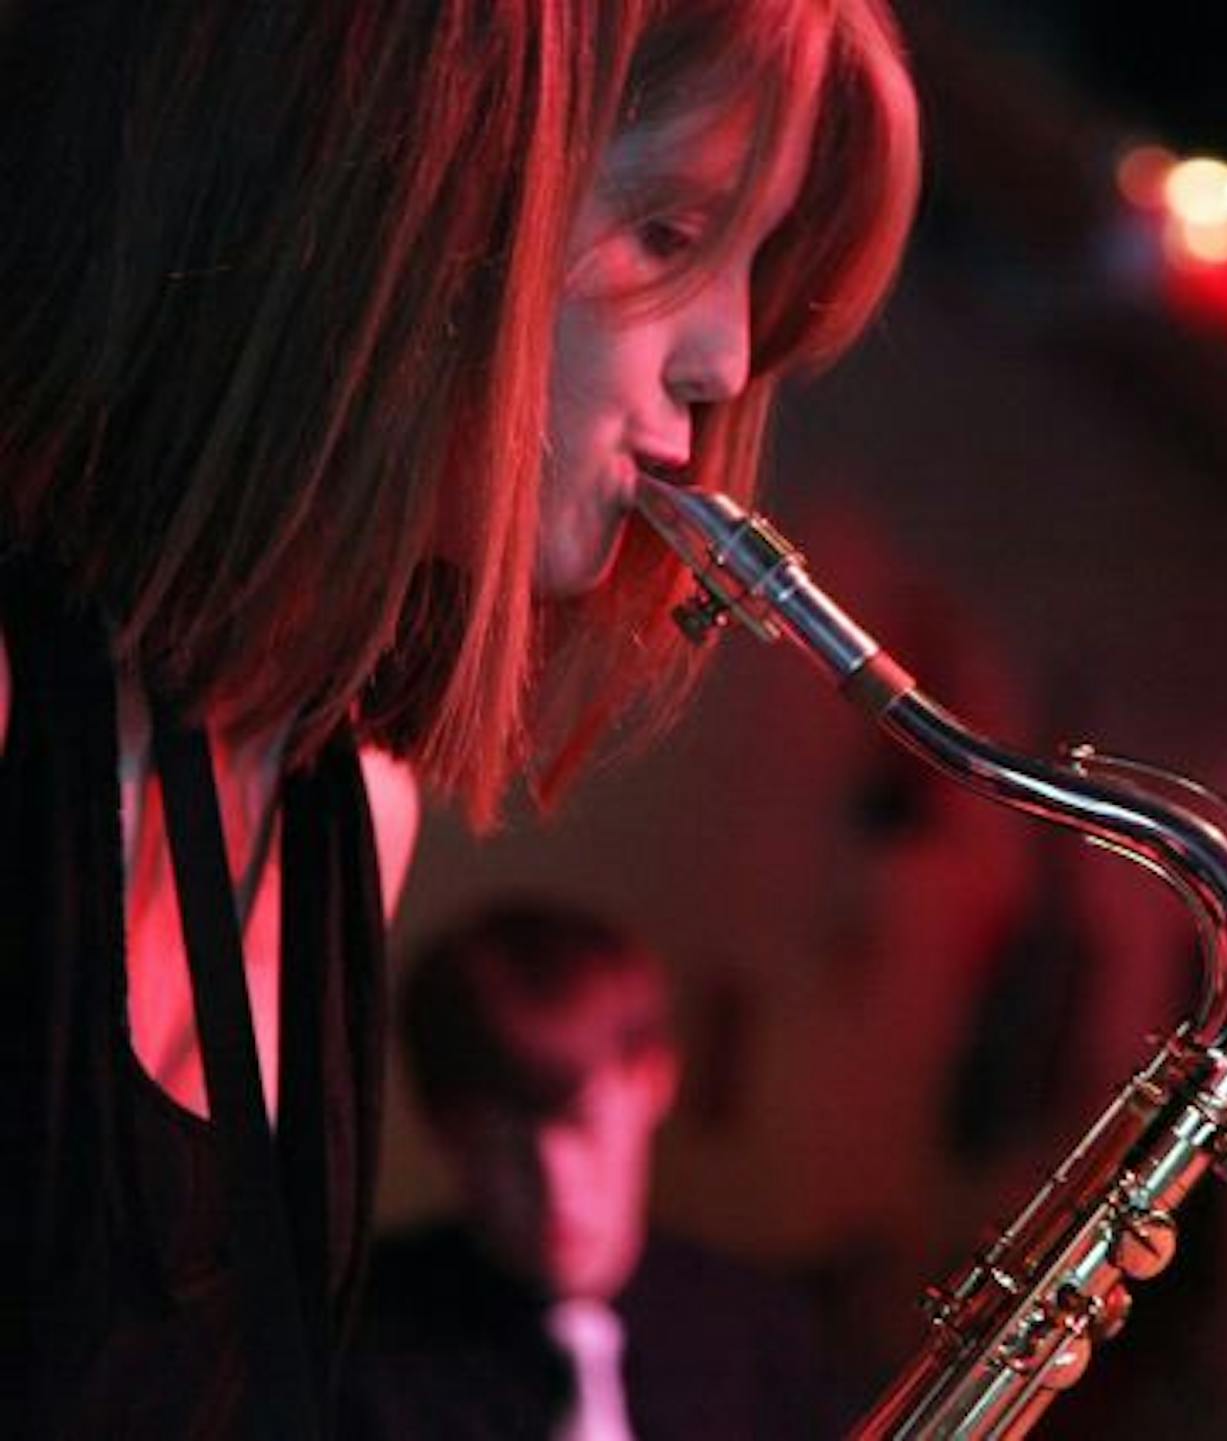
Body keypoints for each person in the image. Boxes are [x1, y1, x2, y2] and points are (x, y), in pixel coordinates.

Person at [0, 1, 917, 1433]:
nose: (728, 363)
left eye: (753, 270)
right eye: (669, 233)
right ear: (389, 195)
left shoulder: (356, 809)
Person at [342, 900, 831, 1441]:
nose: (556, 1184)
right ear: (443, 1129)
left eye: (583, 1124)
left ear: (655, 1081)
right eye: (503, 1144)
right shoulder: (357, 1338)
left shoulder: (758, 1333)